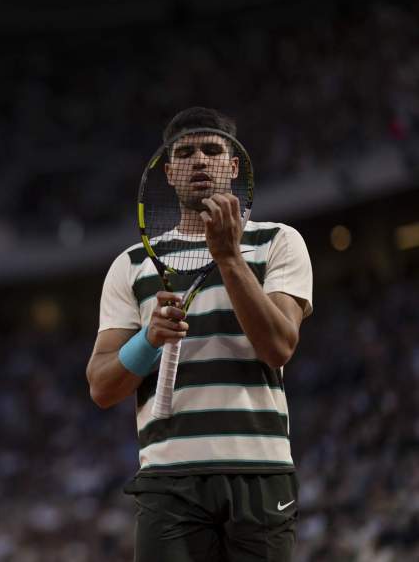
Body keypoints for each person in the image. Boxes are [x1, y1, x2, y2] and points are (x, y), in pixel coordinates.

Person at [86, 107, 313, 562]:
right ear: (169, 173)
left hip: (260, 472)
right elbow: (101, 387)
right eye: (186, 153)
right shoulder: (131, 264)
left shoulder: (279, 241)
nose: (200, 161)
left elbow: (279, 347)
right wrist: (147, 340)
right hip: (170, 480)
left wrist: (228, 257)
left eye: (212, 150)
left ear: (234, 166)